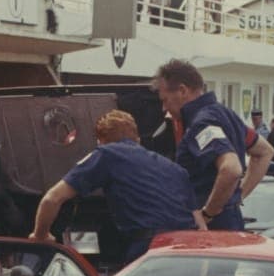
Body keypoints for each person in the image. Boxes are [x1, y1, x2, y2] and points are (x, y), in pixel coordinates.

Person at [29, 110, 202, 265]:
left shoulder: (106, 154)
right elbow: (201, 226)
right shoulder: (176, 169)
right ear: (138, 139)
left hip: (151, 251)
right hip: (188, 252)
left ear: (100, 141)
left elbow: (52, 199)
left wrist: (40, 235)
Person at [153, 58, 274, 231]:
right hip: (231, 220)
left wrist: (208, 213)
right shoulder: (226, 114)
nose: (164, 108)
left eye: (165, 100)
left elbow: (231, 169)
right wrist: (237, 196)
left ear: (182, 90)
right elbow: (265, 151)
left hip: (211, 228)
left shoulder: (201, 123)